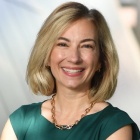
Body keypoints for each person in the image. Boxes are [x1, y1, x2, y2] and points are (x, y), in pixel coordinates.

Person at [1, 1, 140, 140]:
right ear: (46, 56)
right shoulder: (20, 122)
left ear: (101, 60)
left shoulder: (115, 125)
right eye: (63, 44)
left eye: (86, 46)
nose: (74, 58)